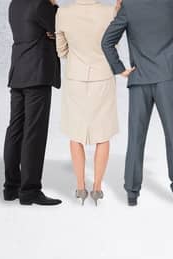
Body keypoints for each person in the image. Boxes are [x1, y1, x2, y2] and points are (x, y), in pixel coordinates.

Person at [101, 0, 173, 207]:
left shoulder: (129, 7)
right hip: (167, 79)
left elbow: (106, 42)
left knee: (136, 139)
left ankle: (132, 193)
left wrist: (119, 68)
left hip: (139, 79)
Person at [55, 0, 115, 206]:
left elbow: (61, 50)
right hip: (103, 76)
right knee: (103, 133)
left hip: (76, 77)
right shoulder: (109, 13)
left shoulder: (63, 13)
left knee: (76, 133)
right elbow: (112, 44)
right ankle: (97, 188)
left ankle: (80, 188)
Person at [6, 0, 62, 207]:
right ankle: (30, 190)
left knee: (16, 130)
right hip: (37, 73)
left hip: (18, 71)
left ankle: (11, 187)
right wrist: (54, 7)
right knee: (34, 133)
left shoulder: (14, 4)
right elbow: (62, 29)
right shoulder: (41, 4)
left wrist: (50, 32)